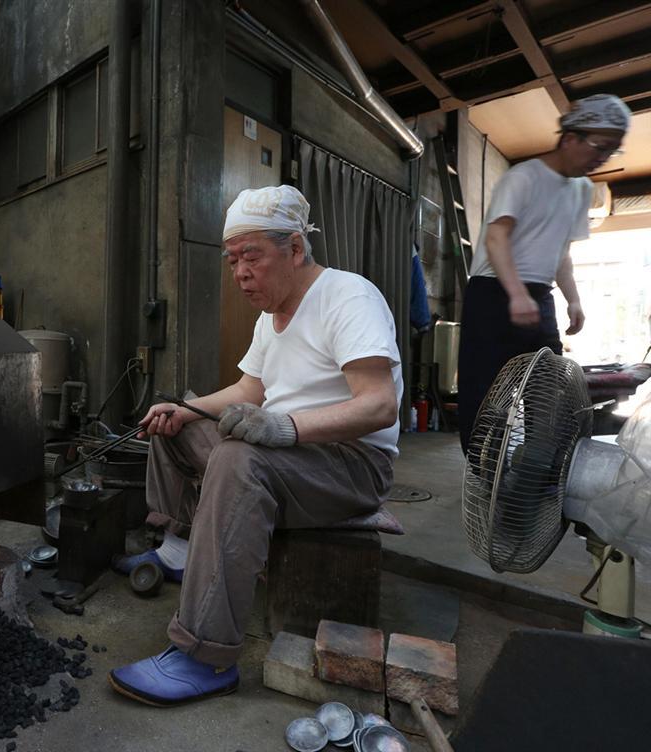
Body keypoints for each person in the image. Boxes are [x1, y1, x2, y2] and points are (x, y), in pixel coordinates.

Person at [108, 185, 403, 706]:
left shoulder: (348, 296)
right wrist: (186, 409)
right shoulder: (271, 315)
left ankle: (205, 655)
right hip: (294, 456)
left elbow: (379, 405)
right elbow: (250, 391)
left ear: (294, 249)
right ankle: (178, 548)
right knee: (179, 420)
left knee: (238, 457)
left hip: (352, 465)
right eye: (232, 260)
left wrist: (284, 428)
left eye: (252, 257)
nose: (240, 272)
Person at [458, 94, 631, 454]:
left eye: (611, 151)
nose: (602, 158)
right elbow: (496, 237)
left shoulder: (582, 190)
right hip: (492, 293)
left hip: (538, 295)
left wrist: (573, 299)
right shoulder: (523, 178)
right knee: (485, 389)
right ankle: (483, 471)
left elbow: (561, 253)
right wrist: (516, 292)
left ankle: (538, 473)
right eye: (599, 146)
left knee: (550, 388)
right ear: (570, 138)